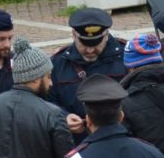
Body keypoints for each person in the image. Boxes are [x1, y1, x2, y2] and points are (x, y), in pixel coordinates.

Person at [49, 8, 128, 144]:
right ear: (74, 35)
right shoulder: (58, 63)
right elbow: (48, 101)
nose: (90, 50)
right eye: (84, 44)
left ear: (106, 35)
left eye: (96, 43)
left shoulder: (126, 57)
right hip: (77, 144)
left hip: (119, 140)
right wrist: (63, 117)